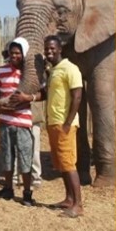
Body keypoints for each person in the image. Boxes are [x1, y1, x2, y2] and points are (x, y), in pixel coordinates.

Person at [0, 37, 35, 206]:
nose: (14, 56)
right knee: (7, 157)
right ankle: (8, 189)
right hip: (5, 121)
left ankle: (27, 193)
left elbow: (43, 92)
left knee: (25, 158)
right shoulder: (1, 70)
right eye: (12, 53)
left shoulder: (30, 72)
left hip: (23, 122)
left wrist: (28, 97)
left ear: (24, 53)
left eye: (18, 53)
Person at [43, 35, 83, 217]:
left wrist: (67, 123)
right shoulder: (53, 71)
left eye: (52, 48)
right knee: (61, 164)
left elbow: (77, 96)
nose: (49, 51)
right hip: (54, 123)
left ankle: (78, 205)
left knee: (68, 163)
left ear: (60, 49)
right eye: (47, 49)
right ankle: (69, 199)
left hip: (64, 124)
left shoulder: (70, 69)